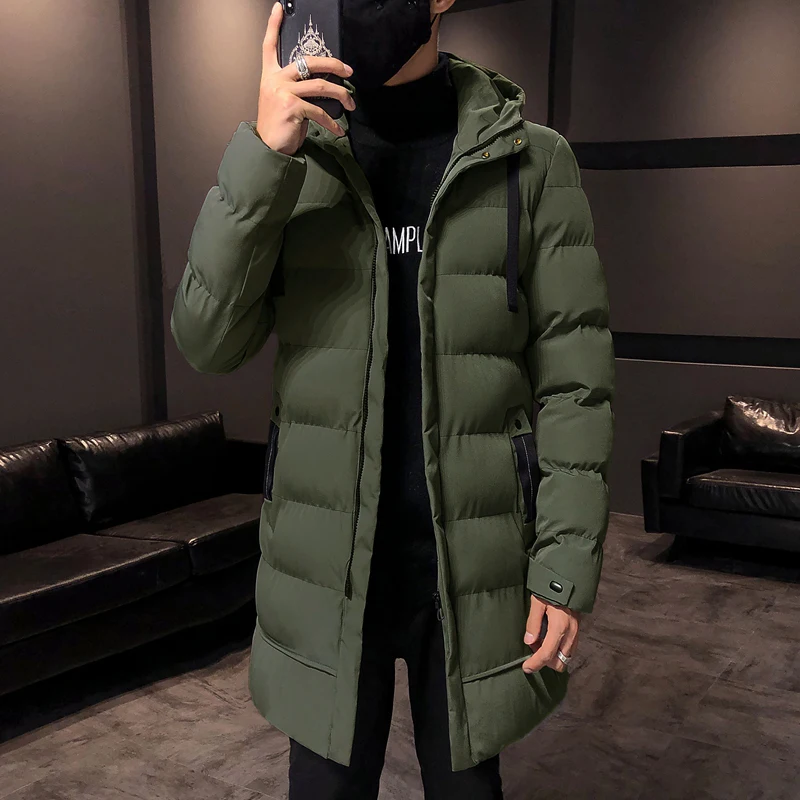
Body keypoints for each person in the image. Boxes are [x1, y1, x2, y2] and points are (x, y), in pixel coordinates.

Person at [170, 0, 615, 797]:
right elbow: (207, 339)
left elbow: (575, 385)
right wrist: (262, 157)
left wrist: (565, 561)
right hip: (327, 570)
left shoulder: (531, 161)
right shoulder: (297, 154)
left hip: (474, 569)